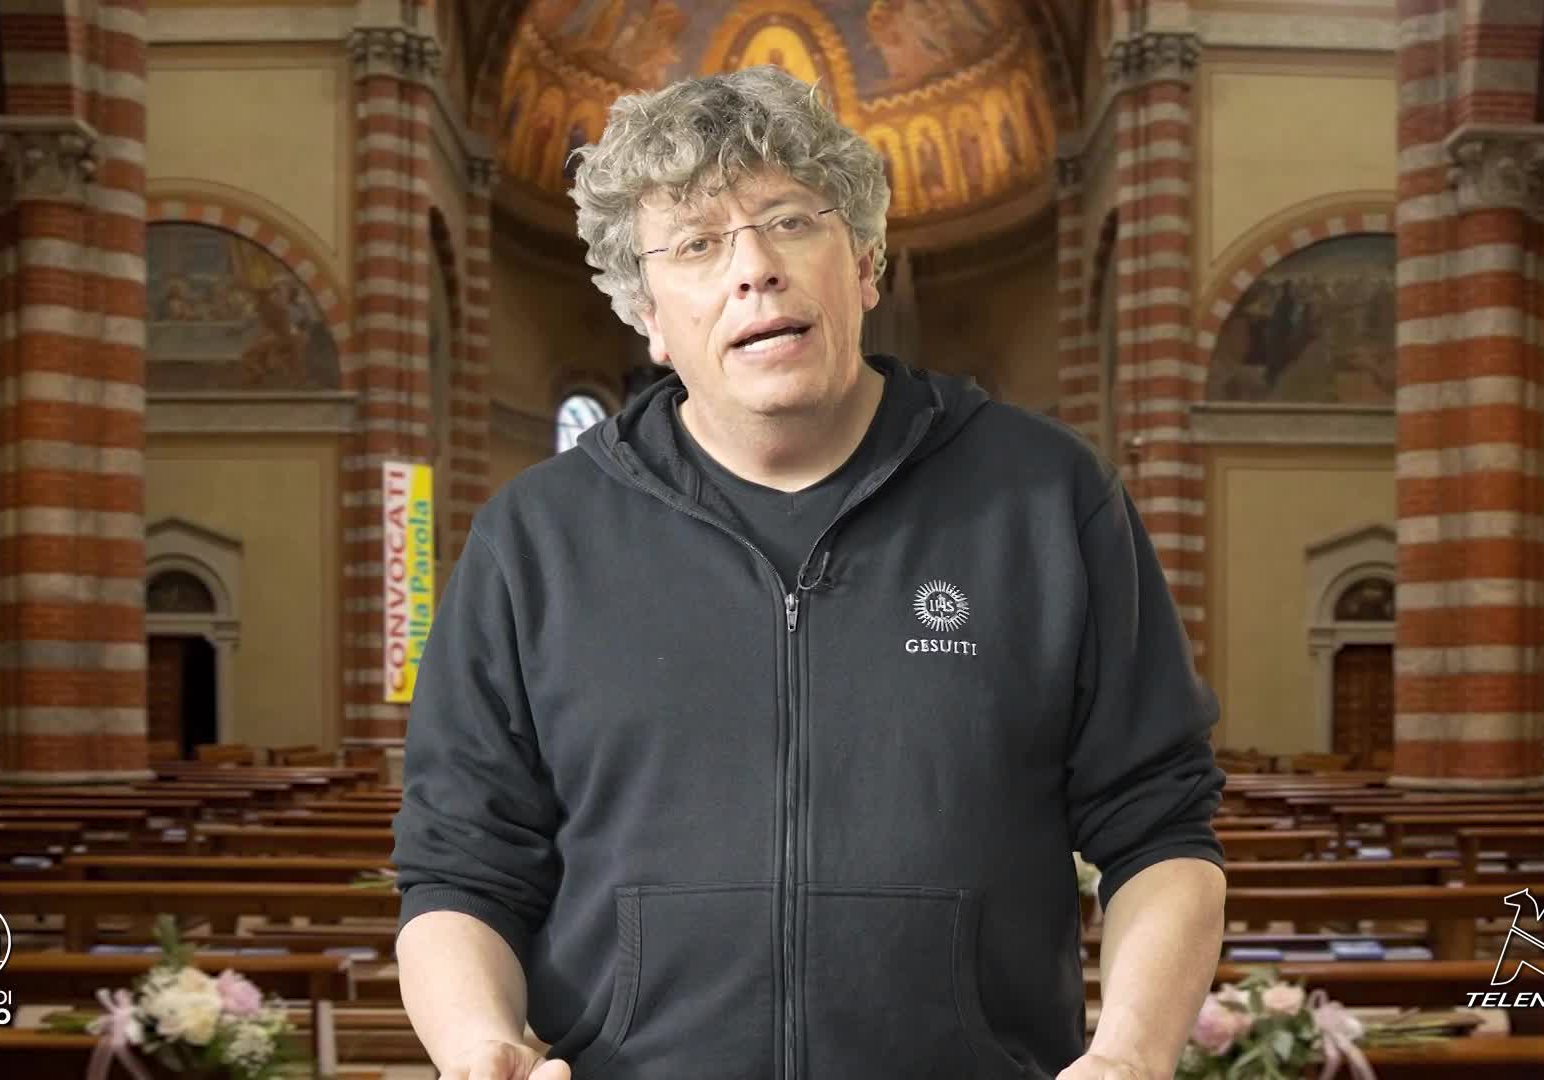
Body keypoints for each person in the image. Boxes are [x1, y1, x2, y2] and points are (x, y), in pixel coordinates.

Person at [392, 66, 1227, 1080]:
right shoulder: (533, 539)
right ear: (646, 312)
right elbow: (459, 870)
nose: (755, 269)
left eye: (790, 222)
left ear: (865, 263)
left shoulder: (1048, 501)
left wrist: (1131, 1056)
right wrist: (477, 1042)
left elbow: (1160, 830)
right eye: (697, 243)